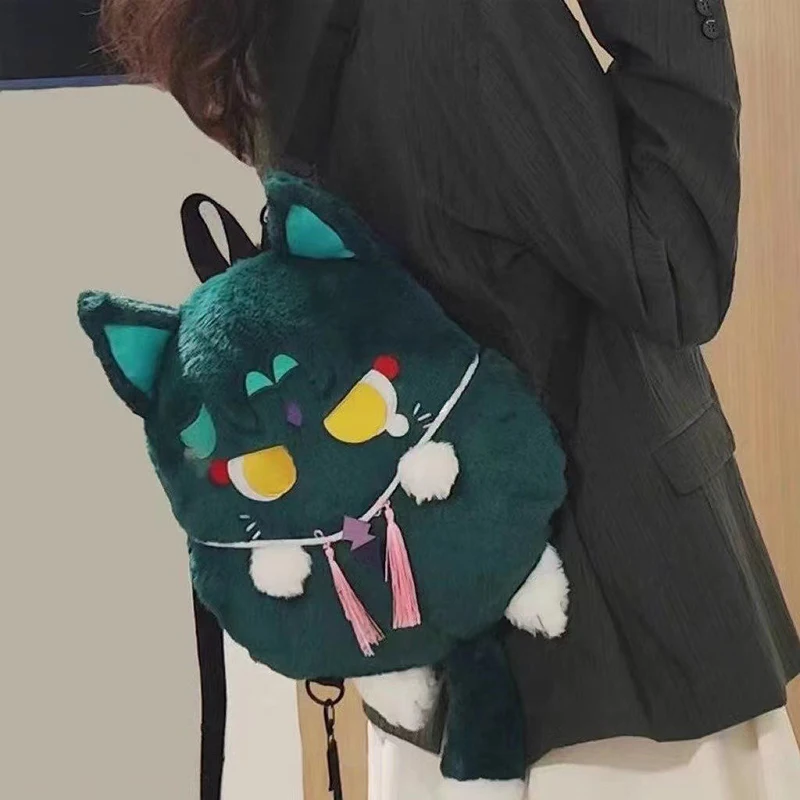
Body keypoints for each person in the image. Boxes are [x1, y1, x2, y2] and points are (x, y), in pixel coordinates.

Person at [100, 1, 800, 797]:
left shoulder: (265, 22)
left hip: (446, 655)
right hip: (612, 684)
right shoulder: (463, 19)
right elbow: (673, 273)